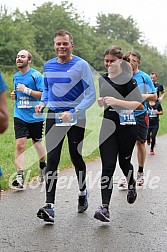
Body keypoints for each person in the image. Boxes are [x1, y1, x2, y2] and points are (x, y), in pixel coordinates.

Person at [36, 30, 96, 223]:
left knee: (75, 156)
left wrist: (74, 111)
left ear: (72, 45)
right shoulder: (48, 65)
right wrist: (43, 102)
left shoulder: (81, 65)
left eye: (65, 44)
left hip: (75, 117)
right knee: (52, 159)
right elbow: (46, 88)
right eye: (58, 44)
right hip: (53, 115)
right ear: (54, 45)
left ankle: (82, 191)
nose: (61, 47)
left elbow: (91, 95)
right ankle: (49, 206)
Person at [93, 47, 144, 222]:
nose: (108, 64)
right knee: (107, 166)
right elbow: (104, 102)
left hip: (127, 128)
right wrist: (102, 102)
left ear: (120, 61)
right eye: (106, 60)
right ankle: (104, 207)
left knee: (124, 163)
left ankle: (131, 185)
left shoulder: (129, 80)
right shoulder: (103, 79)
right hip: (108, 127)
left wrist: (117, 101)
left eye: (111, 61)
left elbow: (139, 105)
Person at [119, 51, 157, 187]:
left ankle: (140, 172)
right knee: (125, 145)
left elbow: (155, 97)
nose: (130, 62)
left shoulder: (144, 77)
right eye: (128, 59)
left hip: (140, 115)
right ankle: (126, 175)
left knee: (140, 143)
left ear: (138, 62)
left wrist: (144, 96)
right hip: (125, 115)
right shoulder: (121, 76)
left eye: (133, 60)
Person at [10, 49, 46, 189]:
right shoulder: (15, 77)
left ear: (29, 60)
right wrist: (15, 95)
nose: (19, 58)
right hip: (19, 114)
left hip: (35, 116)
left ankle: (43, 165)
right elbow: (18, 93)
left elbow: (43, 95)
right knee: (20, 144)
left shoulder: (36, 76)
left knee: (37, 143)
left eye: (22, 56)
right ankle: (19, 177)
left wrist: (26, 90)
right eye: (18, 56)